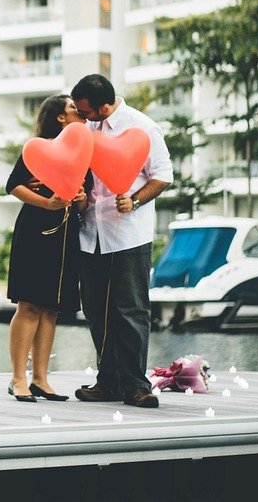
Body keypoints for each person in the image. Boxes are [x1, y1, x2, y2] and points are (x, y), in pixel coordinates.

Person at [70, 73, 172, 409]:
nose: (81, 117)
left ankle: (136, 385)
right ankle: (108, 382)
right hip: (91, 232)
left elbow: (163, 176)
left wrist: (136, 200)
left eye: (85, 111)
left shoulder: (143, 127)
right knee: (95, 310)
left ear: (102, 107)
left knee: (130, 310)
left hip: (128, 234)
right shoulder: (87, 130)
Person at [4, 94, 90, 402]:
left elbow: (85, 199)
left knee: (51, 309)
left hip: (66, 235)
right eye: (73, 108)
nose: (80, 112)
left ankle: (40, 379)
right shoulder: (39, 147)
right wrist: (47, 203)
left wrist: (81, 199)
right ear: (60, 117)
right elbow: (13, 185)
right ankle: (18, 378)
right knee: (29, 305)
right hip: (35, 230)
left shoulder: (83, 150)